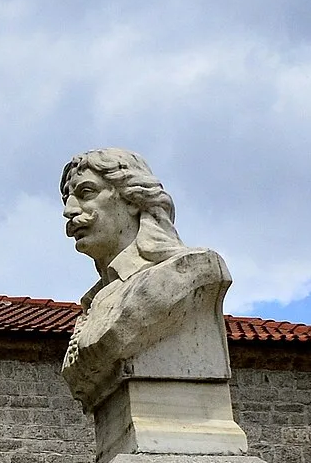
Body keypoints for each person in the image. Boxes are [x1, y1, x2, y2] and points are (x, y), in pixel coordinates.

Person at [58, 148, 233, 409]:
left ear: (132, 198)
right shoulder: (94, 303)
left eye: (86, 193)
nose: (70, 211)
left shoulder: (192, 270)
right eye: (68, 199)